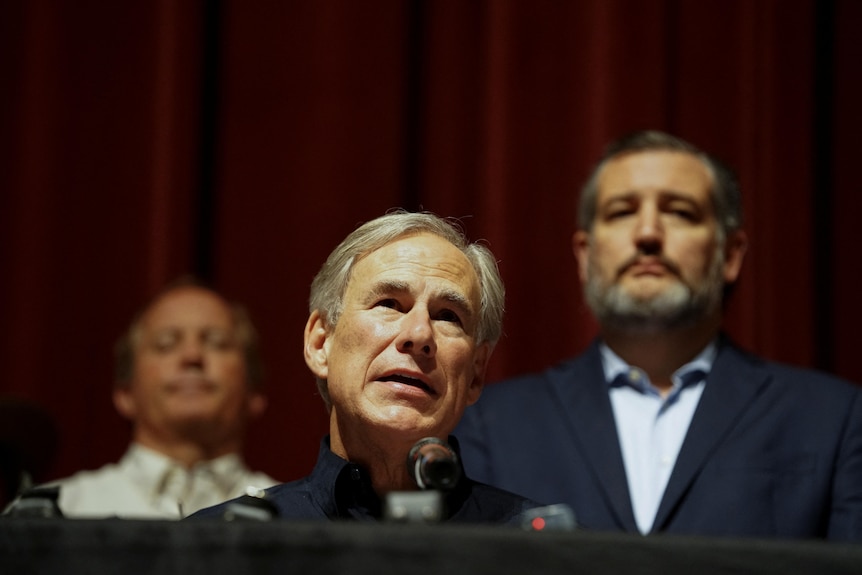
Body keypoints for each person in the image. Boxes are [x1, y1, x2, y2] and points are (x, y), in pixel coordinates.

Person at [455, 130, 862, 541]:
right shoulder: (489, 424)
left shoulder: (833, 419)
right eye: (621, 212)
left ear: (731, 255)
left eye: (680, 212)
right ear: (584, 255)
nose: (648, 233)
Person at [192, 211, 541, 524]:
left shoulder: (542, 555)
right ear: (320, 343)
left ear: (476, 373)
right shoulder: (219, 547)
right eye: (388, 303)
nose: (419, 334)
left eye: (448, 316)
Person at [46, 278, 278, 518]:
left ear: (255, 394)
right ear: (125, 393)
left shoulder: (294, 517)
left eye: (217, 343)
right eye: (165, 344)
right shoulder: (60, 510)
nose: (192, 355)